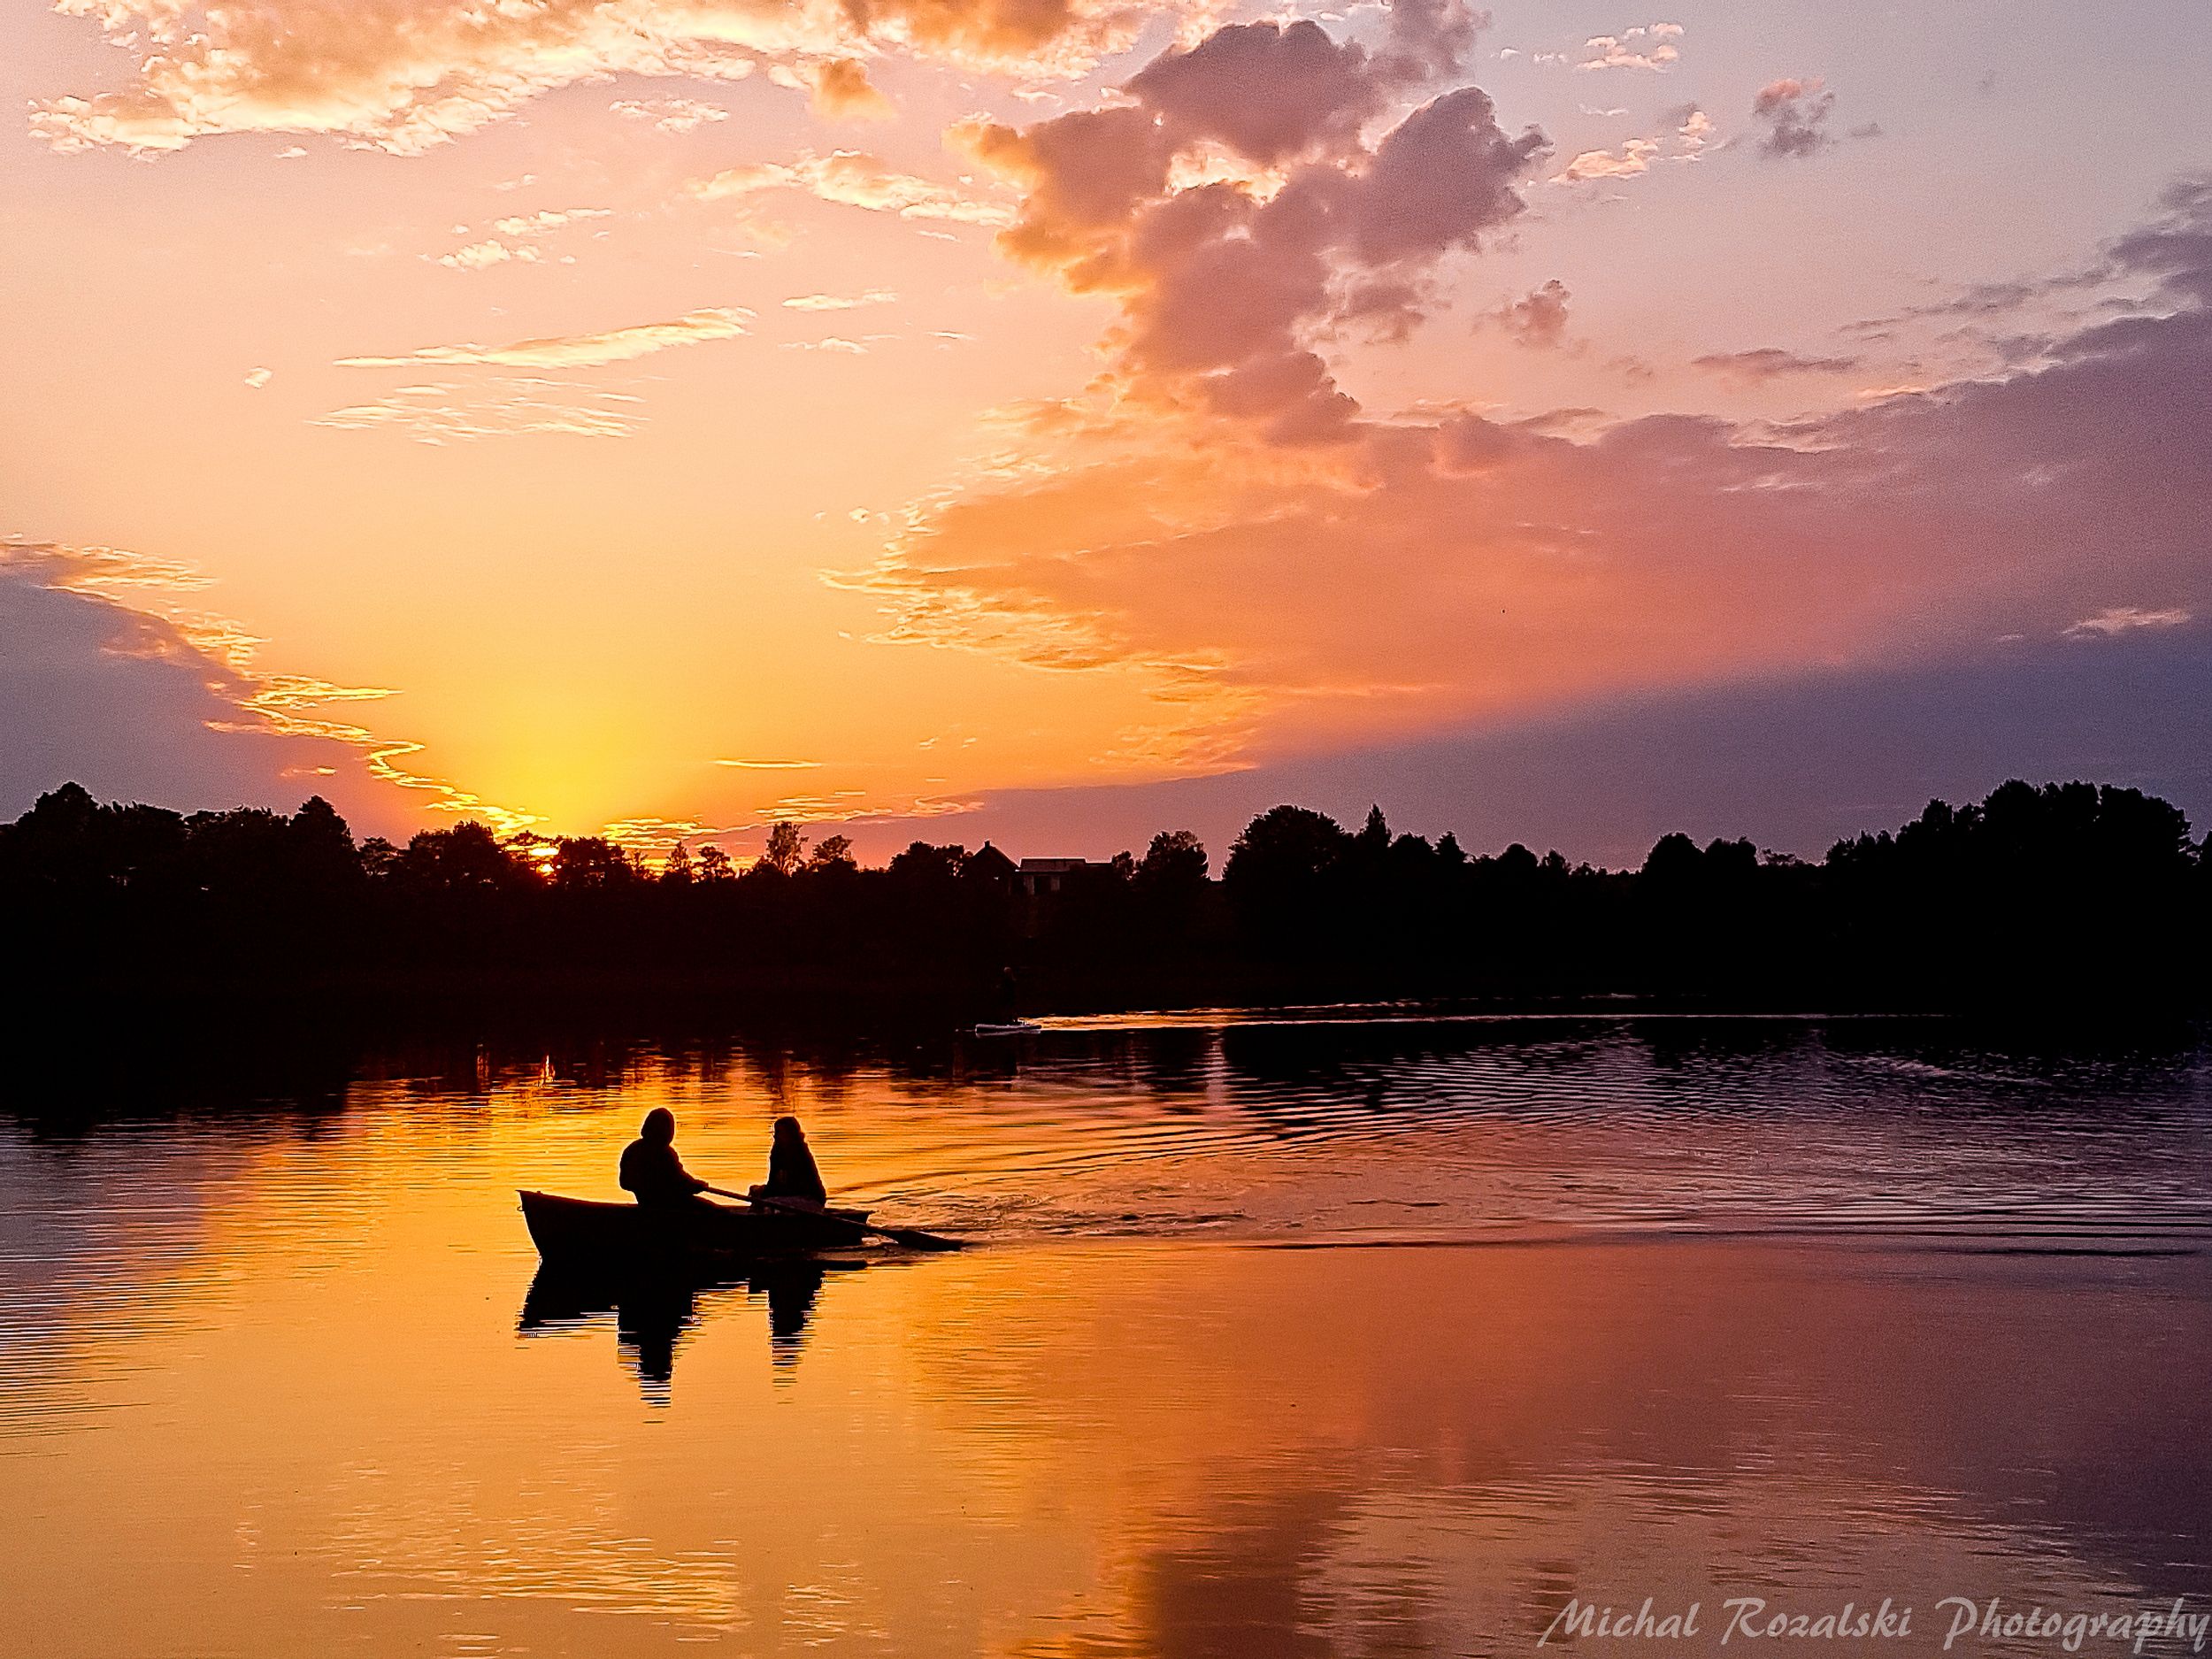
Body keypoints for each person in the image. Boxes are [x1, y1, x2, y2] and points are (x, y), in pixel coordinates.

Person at [618, 1107, 709, 1209]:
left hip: (645, 1203)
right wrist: (696, 1186)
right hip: (670, 1204)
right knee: (714, 1211)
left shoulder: (632, 1149)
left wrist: (693, 1184)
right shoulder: (664, 1154)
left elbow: (624, 1183)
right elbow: (679, 1181)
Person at [749, 1114, 827, 1208]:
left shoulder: (800, 1154)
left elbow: (795, 1188)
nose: (775, 1136)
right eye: (774, 1132)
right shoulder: (777, 1153)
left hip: (810, 1200)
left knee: (767, 1202)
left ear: (790, 1133)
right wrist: (760, 1192)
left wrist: (763, 1195)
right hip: (789, 1197)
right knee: (758, 1193)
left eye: (779, 1132)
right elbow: (773, 1183)